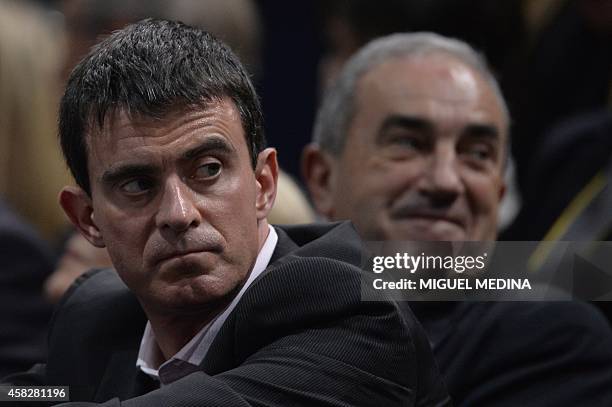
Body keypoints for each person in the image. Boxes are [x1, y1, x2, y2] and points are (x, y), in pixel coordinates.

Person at [2, 20, 451, 407]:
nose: (179, 214)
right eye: (138, 184)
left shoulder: (351, 313)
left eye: (208, 170)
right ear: (87, 218)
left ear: (264, 183)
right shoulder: (96, 319)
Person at [302, 32, 612, 406]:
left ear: (498, 194)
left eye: (477, 153)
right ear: (322, 178)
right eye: (408, 143)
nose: (446, 181)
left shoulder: (555, 343)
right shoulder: (254, 306)